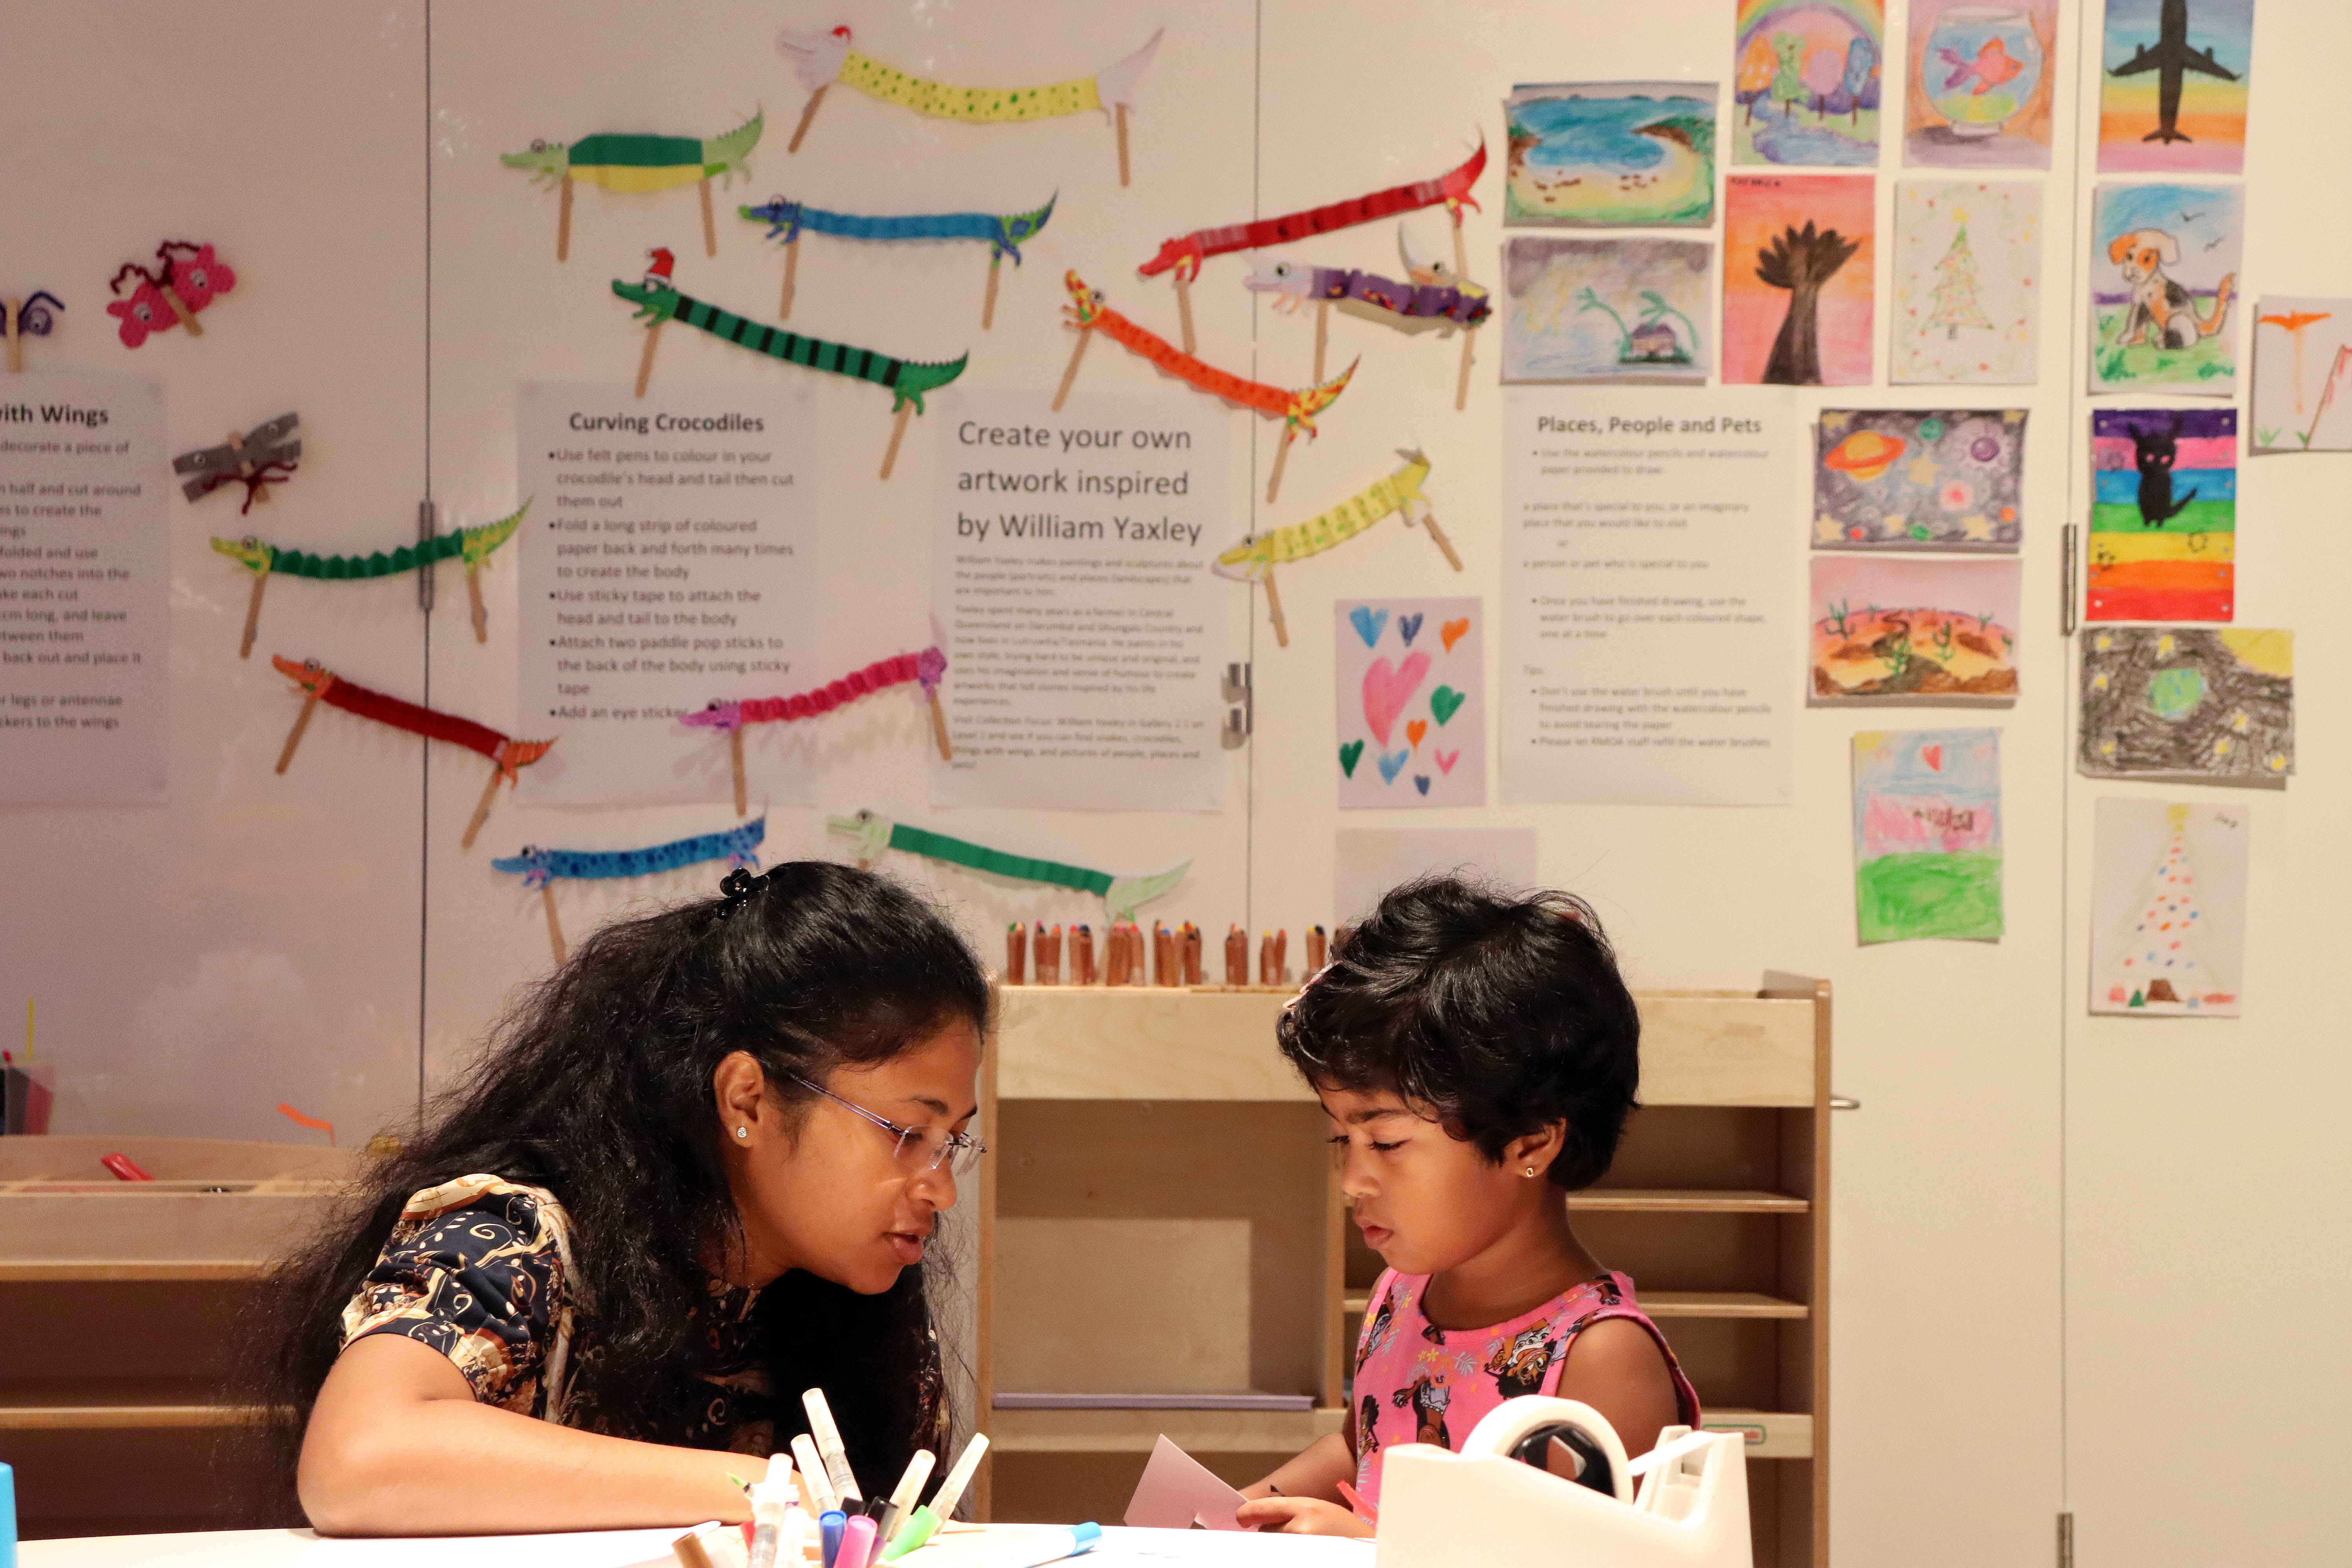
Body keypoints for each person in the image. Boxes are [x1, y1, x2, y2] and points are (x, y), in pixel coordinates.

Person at [251, 861, 990, 1535]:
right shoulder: (518, 1232)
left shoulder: (858, 1303)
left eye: (952, 1140)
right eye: (905, 1132)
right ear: (749, 1101)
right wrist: (763, 1487)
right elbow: (357, 1460)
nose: (943, 1189)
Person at [1236, 877, 1699, 1537]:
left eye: (1387, 1141)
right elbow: (1365, 1448)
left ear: (1530, 1142)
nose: (1352, 1180)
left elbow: (1581, 1559)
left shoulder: (1603, 1357)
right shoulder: (1402, 1293)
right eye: (1343, 1138)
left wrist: (1375, 1549)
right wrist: (1243, 1512)